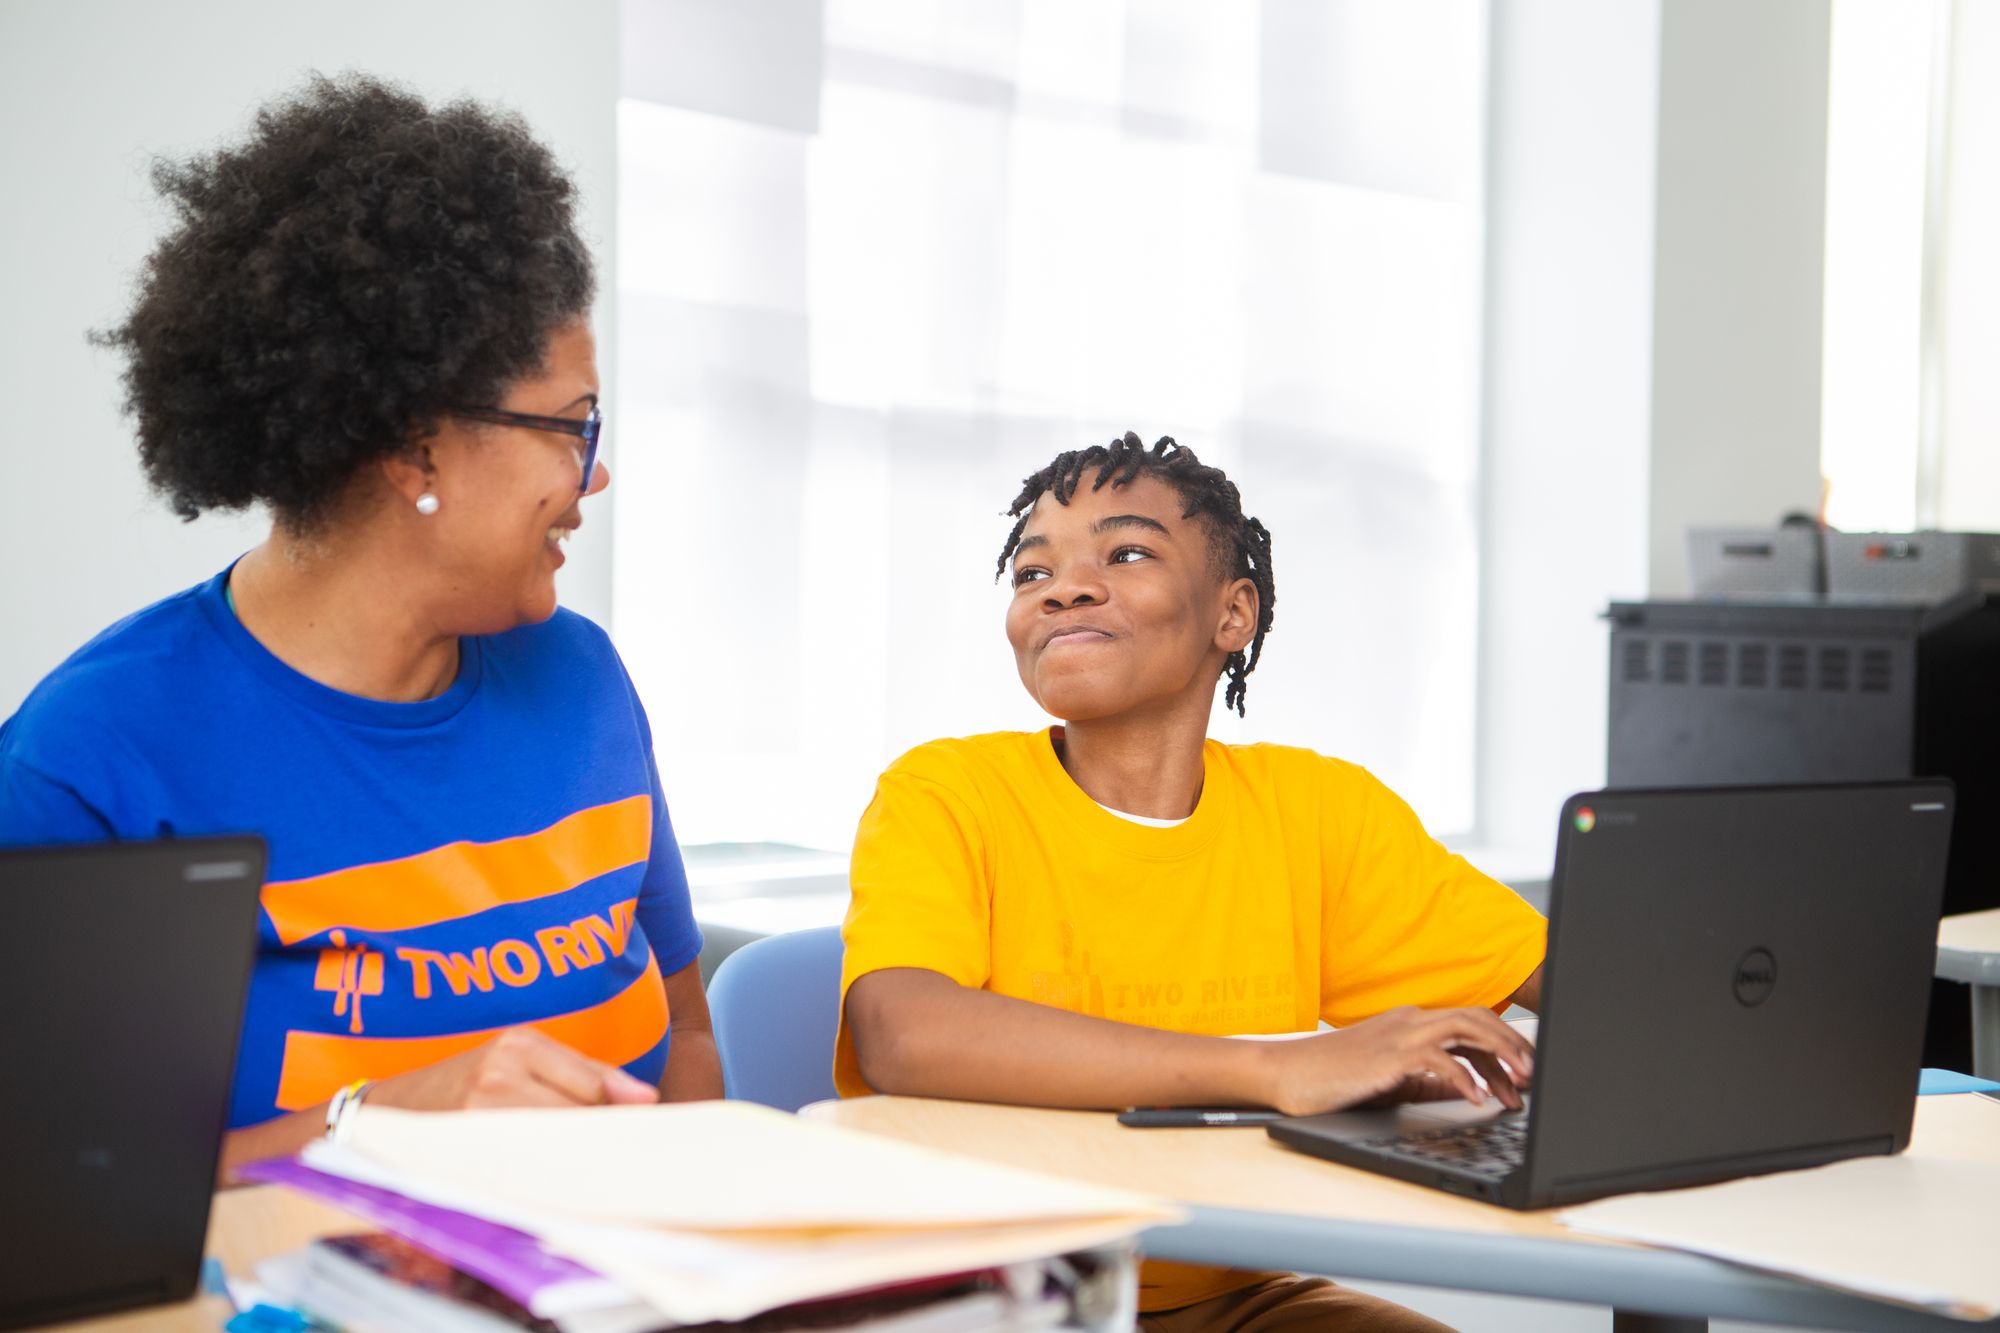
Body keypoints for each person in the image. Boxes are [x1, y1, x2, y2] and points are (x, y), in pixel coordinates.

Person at [0, 74, 719, 1180]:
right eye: (572, 427)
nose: (596, 471)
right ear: (413, 445)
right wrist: (378, 1121)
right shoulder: (100, 755)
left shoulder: (579, 677)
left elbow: (689, 1032)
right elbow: (53, 1199)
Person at [837, 433, 1545, 1332]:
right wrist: (1279, 1069)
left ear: (1233, 613)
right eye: (1031, 571)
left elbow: (1574, 982)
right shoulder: (945, 792)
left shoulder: (1316, 809)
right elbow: (903, 1031)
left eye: (1125, 553)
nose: (1064, 586)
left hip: (1240, 1294)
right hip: (998, 1295)